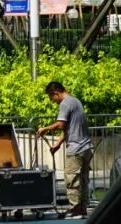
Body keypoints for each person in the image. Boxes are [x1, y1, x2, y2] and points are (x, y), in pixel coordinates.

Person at [37, 81, 93, 218]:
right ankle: (82, 209)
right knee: (83, 180)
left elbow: (61, 124)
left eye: (51, 98)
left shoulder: (65, 103)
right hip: (86, 147)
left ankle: (75, 210)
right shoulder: (76, 101)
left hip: (76, 148)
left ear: (55, 93)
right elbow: (69, 128)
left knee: (72, 179)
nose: (53, 101)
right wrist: (57, 144)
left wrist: (45, 129)